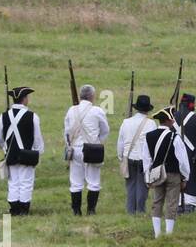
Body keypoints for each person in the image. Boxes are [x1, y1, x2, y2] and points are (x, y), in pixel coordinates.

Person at [141, 106, 189, 237]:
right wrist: (185, 177)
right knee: (171, 203)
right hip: (173, 174)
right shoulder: (175, 137)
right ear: (168, 120)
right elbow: (183, 161)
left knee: (157, 203)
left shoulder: (149, 136)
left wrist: (147, 177)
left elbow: (146, 159)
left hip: (156, 174)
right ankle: (168, 234)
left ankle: (157, 234)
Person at [64, 84, 110, 216]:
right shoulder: (97, 111)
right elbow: (105, 130)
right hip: (92, 148)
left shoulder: (71, 110)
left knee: (76, 182)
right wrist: (97, 142)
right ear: (92, 96)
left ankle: (76, 211)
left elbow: (67, 131)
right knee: (94, 182)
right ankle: (91, 210)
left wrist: (69, 145)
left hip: (75, 148)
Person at [0, 86, 43, 216]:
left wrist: (5, 149)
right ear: (24, 99)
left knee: (13, 182)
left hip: (10, 154)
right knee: (26, 182)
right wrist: (38, 152)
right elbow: (37, 138)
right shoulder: (32, 116)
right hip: (27, 154)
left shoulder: (3, 116)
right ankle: (23, 209)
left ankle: (14, 209)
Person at [117, 94, 155, 215]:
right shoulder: (151, 124)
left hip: (129, 157)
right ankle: (140, 210)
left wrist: (121, 157)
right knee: (143, 188)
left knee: (130, 187)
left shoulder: (126, 122)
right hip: (144, 159)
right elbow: (153, 144)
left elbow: (120, 142)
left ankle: (130, 211)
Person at [175, 93, 196, 214]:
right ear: (191, 105)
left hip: (174, 156)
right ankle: (189, 204)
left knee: (176, 178)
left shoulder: (172, 117)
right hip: (193, 156)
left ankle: (178, 203)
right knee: (192, 179)